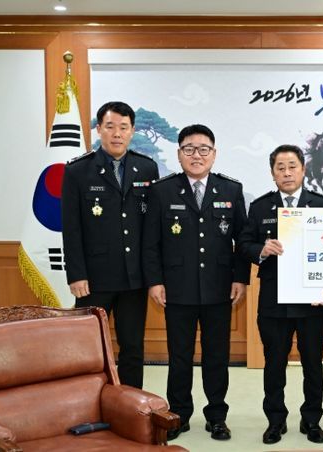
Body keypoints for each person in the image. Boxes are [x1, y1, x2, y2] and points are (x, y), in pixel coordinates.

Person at [142, 124, 250, 441]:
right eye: (189, 149)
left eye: (204, 149)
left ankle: (217, 416)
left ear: (214, 154)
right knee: (180, 357)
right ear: (179, 154)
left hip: (219, 288)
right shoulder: (162, 191)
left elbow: (242, 240)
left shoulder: (231, 190)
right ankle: (179, 415)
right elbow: (150, 243)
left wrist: (240, 278)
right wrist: (154, 282)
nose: (196, 155)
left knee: (217, 356)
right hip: (177, 289)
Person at [238, 144, 323, 445]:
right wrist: (262, 249)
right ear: (273, 173)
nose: (287, 172)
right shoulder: (260, 207)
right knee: (274, 363)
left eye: (293, 166)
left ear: (303, 170)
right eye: (281, 167)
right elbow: (244, 244)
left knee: (313, 364)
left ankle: (312, 420)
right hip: (273, 302)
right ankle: (275, 421)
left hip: (312, 302)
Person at [62, 101, 159, 389]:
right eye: (110, 126)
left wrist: (153, 275)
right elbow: (71, 227)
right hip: (94, 279)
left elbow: (152, 227)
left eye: (124, 127)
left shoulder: (147, 168)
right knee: (88, 348)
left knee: (133, 347)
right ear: (98, 129)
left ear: (132, 131)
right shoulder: (78, 171)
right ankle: (89, 402)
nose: (117, 133)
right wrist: (76, 274)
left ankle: (131, 404)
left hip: (134, 278)